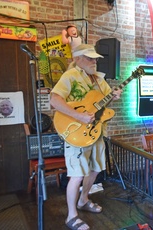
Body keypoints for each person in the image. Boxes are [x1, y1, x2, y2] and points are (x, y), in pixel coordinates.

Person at [50, 44, 122, 230]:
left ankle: (83, 200)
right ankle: (71, 216)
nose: (94, 61)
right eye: (90, 58)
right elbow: (54, 100)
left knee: (96, 168)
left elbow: (105, 98)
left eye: (95, 58)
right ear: (77, 59)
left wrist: (114, 95)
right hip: (76, 132)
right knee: (77, 174)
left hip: (96, 131)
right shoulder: (70, 76)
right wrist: (79, 116)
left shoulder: (98, 79)